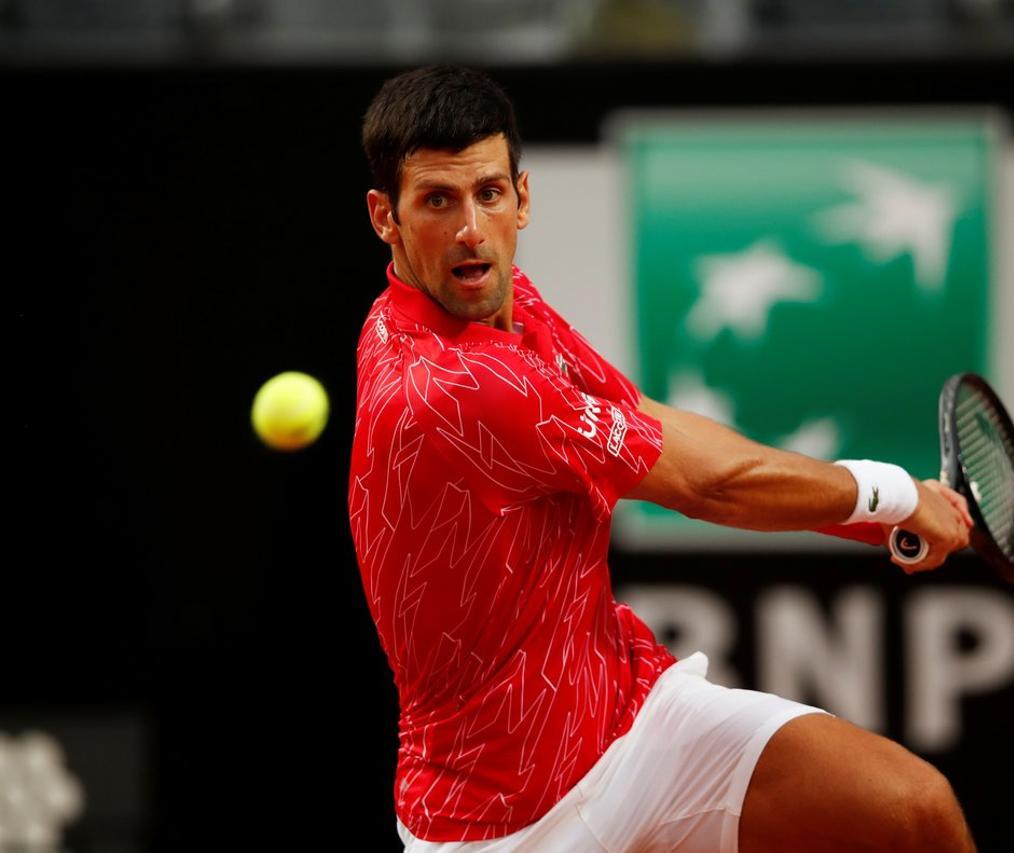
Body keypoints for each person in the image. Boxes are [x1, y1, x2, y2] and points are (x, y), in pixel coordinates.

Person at [348, 65, 976, 853]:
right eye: (438, 200)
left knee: (914, 812)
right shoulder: (453, 387)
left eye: (489, 193)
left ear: (523, 196)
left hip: (628, 717)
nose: (472, 227)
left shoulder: (504, 299)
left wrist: (870, 518)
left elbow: (648, 420)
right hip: (502, 822)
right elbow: (706, 486)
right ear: (386, 217)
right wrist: (886, 492)